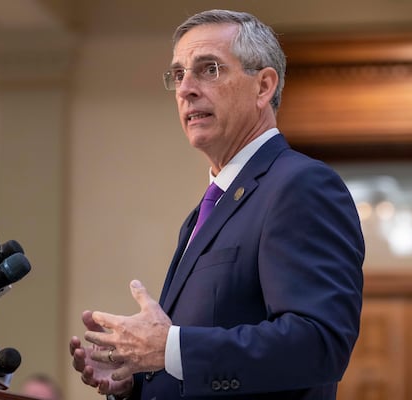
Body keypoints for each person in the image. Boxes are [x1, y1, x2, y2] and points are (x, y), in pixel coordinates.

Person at [69, 9, 364, 400]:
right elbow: (193, 357)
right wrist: (136, 377)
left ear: (263, 87)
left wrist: (170, 349)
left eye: (209, 69)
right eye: (178, 74)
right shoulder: (205, 212)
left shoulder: (300, 185)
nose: (185, 88)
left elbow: (320, 343)